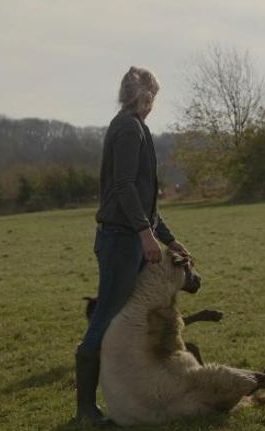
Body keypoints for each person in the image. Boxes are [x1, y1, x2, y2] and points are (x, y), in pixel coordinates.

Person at [74, 66, 190, 425]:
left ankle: (130, 394)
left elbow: (143, 199)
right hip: (121, 241)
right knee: (106, 318)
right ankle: (85, 412)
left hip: (131, 237)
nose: (154, 103)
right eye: (153, 96)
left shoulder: (136, 127)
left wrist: (168, 237)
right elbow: (123, 186)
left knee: (126, 320)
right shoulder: (127, 127)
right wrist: (144, 234)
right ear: (145, 96)